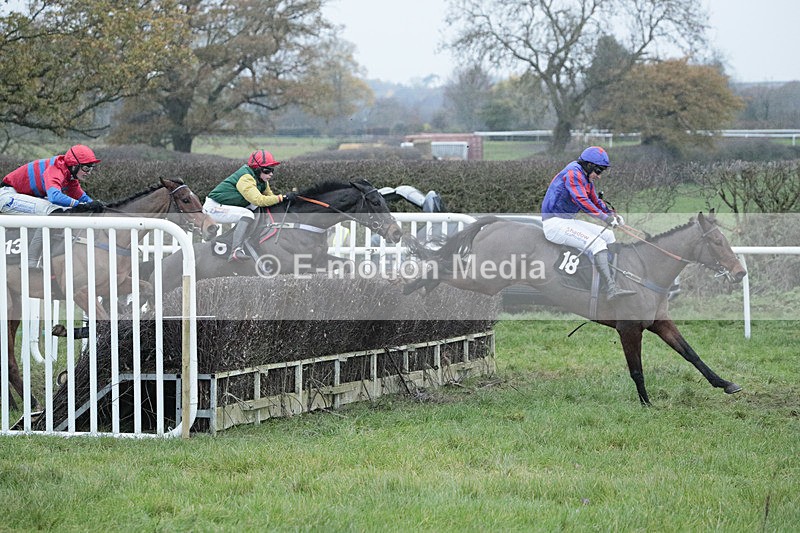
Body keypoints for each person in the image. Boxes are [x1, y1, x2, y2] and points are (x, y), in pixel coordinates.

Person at [541, 146, 635, 301]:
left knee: (608, 234)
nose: (599, 176)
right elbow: (582, 201)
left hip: (566, 221)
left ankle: (614, 280)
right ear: (589, 165)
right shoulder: (573, 173)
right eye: (598, 171)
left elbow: (594, 200)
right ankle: (609, 288)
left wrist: (611, 214)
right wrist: (605, 218)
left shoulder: (585, 177)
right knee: (597, 244)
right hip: (554, 224)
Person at [1, 144, 103, 268]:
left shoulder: (69, 176)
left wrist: (97, 204)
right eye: (86, 168)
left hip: (21, 195)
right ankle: (31, 260)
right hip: (7, 196)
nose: (89, 173)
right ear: (75, 165)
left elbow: (82, 197)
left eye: (91, 169)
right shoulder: (55, 169)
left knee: (65, 211)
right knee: (53, 211)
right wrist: (81, 205)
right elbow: (54, 197)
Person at [203, 149, 297, 262]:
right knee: (248, 213)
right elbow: (259, 200)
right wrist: (283, 197)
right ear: (257, 169)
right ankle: (235, 251)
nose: (271, 174)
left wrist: (286, 201)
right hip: (213, 208)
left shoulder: (262, 181)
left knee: (255, 209)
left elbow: (270, 198)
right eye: (267, 170)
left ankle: (251, 239)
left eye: (272, 170)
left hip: (224, 205)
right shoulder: (246, 178)